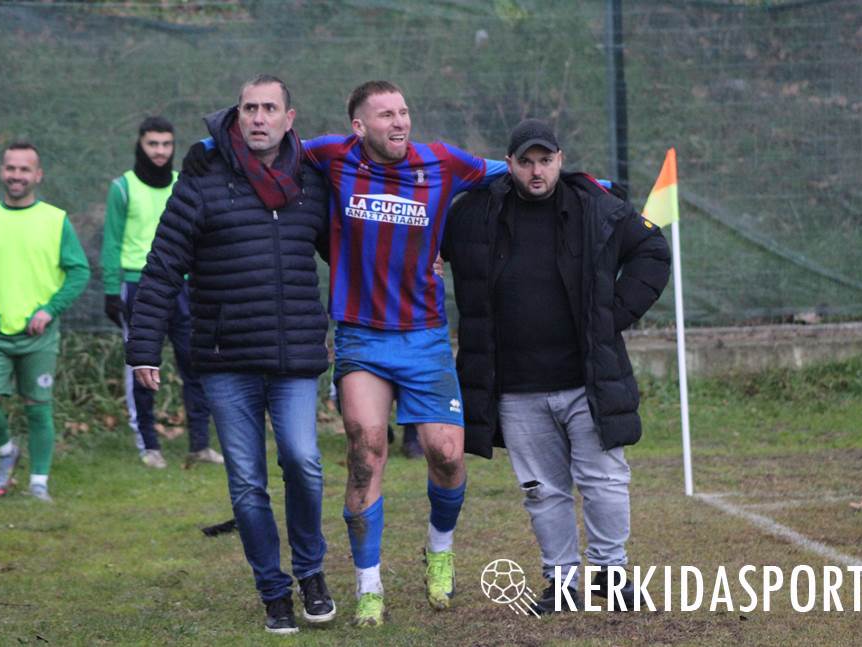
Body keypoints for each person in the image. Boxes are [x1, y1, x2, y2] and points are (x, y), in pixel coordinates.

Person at [184, 79, 506, 626]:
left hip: (425, 335)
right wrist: (208, 148)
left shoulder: (441, 161)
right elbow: (270, 143)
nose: (399, 122)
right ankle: (368, 584)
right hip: (361, 335)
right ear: (359, 127)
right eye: (385, 115)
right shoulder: (331, 155)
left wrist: (593, 185)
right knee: (365, 450)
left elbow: (518, 171)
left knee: (448, 454)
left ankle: (439, 550)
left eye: (403, 112)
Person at [126, 75, 335, 635]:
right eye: (249, 108)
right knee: (246, 483)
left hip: (294, 357)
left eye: (269, 108)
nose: (259, 118)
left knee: (303, 462)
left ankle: (311, 573)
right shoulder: (201, 180)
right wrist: (144, 347)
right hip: (225, 360)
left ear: (290, 118)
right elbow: (163, 266)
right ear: (237, 115)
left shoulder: (312, 182)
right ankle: (274, 592)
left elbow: (349, 251)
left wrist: (419, 260)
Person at [441, 119, 671, 613]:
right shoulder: (473, 213)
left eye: (545, 161)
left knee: (604, 481)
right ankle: (562, 583)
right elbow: (420, 247)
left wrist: (612, 316)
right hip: (515, 388)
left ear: (560, 160)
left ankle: (612, 576)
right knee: (543, 492)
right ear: (509, 165)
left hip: (588, 379)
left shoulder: (596, 207)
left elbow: (652, 250)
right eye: (526, 162)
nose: (536, 171)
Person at [0, 142, 90, 502]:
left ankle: (38, 483)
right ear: (2, 172)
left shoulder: (55, 220)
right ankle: (7, 450)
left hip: (39, 333)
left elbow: (79, 271)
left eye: (25, 169)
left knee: (38, 407)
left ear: (38, 175)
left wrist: (49, 310)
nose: (17, 175)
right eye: (11, 168)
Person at [101, 116, 220, 469]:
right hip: (138, 284)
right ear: (140, 144)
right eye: (153, 144)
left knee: (194, 364)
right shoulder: (122, 187)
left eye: (166, 144)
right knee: (142, 365)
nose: (160, 151)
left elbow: (198, 237)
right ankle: (149, 446)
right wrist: (111, 291)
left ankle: (200, 444)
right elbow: (111, 242)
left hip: (182, 285)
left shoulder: (184, 183)